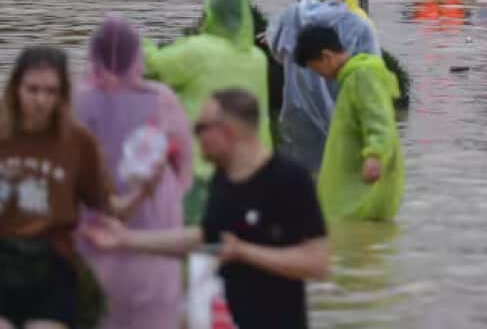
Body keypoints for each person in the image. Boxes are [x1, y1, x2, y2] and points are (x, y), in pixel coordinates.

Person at [83, 90, 330, 329]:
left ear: (228, 131)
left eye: (200, 128)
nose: (194, 136)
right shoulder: (223, 177)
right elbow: (205, 237)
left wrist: (247, 253)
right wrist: (126, 240)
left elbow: (316, 263)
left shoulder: (290, 179)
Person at [0, 47, 157, 329]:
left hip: (52, 264)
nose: (40, 100)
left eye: (51, 91)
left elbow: (110, 207)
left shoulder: (78, 142)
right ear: (15, 89)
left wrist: (142, 190)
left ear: (63, 94)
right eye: (32, 89)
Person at [75, 17, 194, 329]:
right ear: (138, 56)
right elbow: (184, 166)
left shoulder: (75, 99)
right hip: (151, 225)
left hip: (91, 226)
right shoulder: (160, 98)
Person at [144, 0, 272, 219]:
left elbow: (155, 68)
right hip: (255, 166)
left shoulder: (198, 50)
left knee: (198, 238)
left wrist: (141, 44)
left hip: (204, 164)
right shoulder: (258, 58)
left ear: (213, 16)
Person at [270, 0, 380, 173]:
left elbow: (277, 52)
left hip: (295, 118)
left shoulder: (293, 14)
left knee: (296, 191)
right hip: (341, 123)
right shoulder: (360, 26)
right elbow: (373, 81)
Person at [294, 26, 403, 221]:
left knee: (356, 242)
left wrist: (374, 155)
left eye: (315, 67)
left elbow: (378, 119)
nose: (319, 75)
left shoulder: (362, 76)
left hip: (361, 193)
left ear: (326, 56)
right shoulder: (353, 78)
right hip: (352, 189)